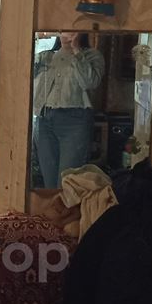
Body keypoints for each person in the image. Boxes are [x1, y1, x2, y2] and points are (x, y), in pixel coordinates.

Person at [32, 32, 105, 188]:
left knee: (68, 181)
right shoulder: (46, 56)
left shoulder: (92, 56)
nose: (66, 35)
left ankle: (66, 205)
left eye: (71, 31)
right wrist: (37, 36)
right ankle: (52, 205)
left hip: (75, 120)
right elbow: (24, 72)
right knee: (49, 180)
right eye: (63, 30)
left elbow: (90, 82)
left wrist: (76, 50)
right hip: (45, 119)